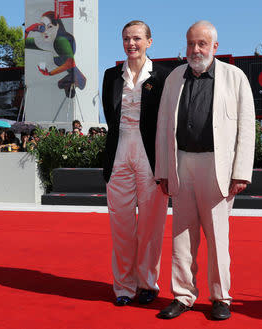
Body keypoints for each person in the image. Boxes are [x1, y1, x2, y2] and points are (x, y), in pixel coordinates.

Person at [155, 20, 255, 321]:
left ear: (215, 47)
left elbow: (247, 129)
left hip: (218, 166)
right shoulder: (174, 78)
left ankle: (220, 297)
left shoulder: (234, 78)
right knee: (181, 237)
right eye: (190, 43)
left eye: (201, 43)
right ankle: (183, 296)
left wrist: (241, 172)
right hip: (181, 163)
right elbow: (163, 127)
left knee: (217, 238)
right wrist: (163, 170)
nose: (195, 49)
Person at [102, 20, 170, 306]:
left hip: (150, 153)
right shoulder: (111, 75)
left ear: (149, 42)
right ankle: (123, 287)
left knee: (151, 225)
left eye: (137, 38)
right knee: (121, 224)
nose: (131, 43)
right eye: (126, 39)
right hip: (119, 153)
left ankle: (147, 284)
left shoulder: (164, 76)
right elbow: (110, 115)